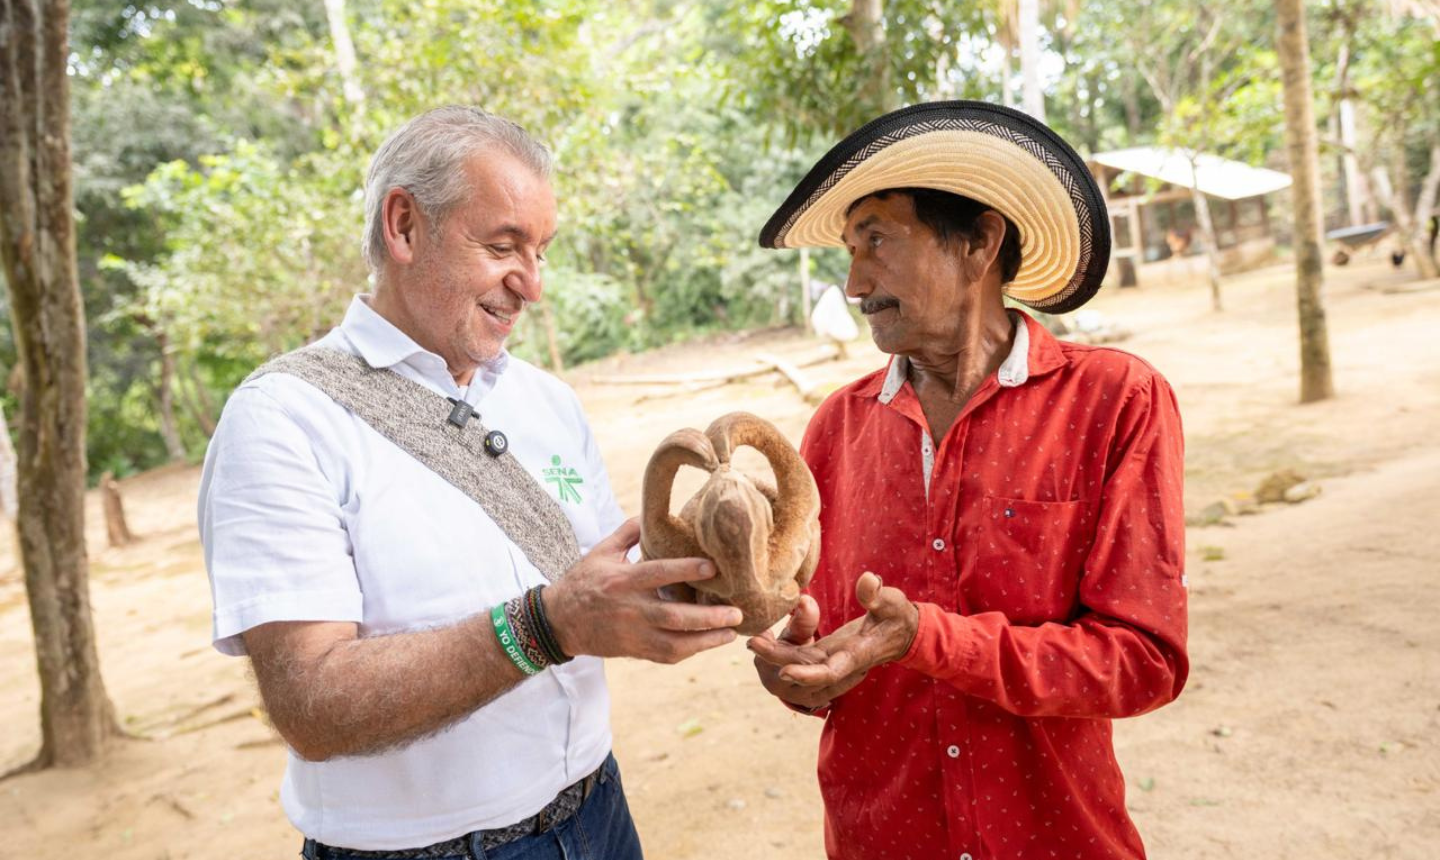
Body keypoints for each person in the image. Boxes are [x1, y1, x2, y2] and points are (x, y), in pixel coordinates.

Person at [198, 106, 742, 860]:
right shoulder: (283, 419)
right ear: (404, 226)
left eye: (541, 252)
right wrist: (544, 627)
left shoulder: (546, 400)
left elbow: (602, 588)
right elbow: (310, 704)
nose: (532, 285)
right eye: (502, 246)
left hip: (599, 809)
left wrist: (728, 581)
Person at [749, 101, 1188, 860]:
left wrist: (929, 639)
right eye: (851, 250)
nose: (853, 283)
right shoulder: (836, 430)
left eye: (877, 241)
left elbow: (1143, 660)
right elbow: (830, 652)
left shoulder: (1115, 402)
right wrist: (803, 675)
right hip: (878, 837)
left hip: (1056, 838)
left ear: (980, 242)